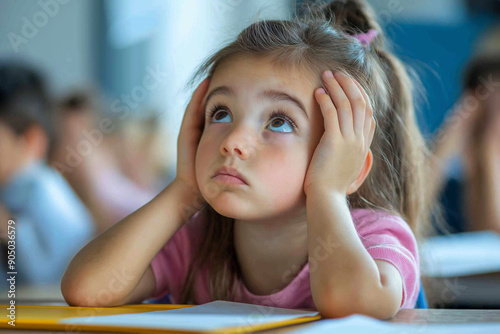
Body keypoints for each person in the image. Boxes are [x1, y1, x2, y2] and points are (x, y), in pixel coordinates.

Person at [61, 0, 435, 319]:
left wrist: (328, 192)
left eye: (279, 121)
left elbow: (351, 309)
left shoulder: (377, 237)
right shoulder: (198, 241)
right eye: (221, 113)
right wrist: (184, 191)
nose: (233, 141)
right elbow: (86, 289)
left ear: (344, 161)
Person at [0, 62, 95, 286]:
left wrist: (8, 228)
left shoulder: (45, 191)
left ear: (30, 140)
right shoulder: (8, 188)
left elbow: (50, 279)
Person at [429, 25, 500, 234]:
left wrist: (489, 150)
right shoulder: (445, 158)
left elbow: (492, 230)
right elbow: (407, 216)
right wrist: (453, 132)